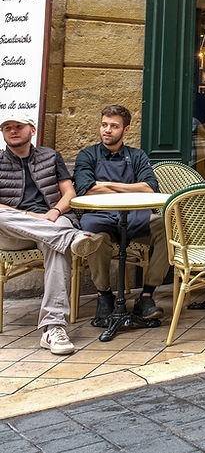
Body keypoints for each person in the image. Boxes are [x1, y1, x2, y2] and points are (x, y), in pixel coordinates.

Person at [0, 115, 109, 355]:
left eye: (18, 126)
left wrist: (55, 211)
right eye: (7, 128)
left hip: (52, 221)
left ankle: (53, 328)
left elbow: (69, 192)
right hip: (13, 231)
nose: (13, 131)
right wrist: (32, 217)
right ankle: (72, 239)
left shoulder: (50, 156)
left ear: (32, 129)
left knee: (56, 248)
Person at [73, 105, 170, 326]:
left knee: (166, 227)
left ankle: (146, 295)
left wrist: (106, 184)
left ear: (125, 130)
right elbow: (86, 189)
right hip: (100, 218)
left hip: (136, 217)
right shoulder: (87, 155)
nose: (107, 130)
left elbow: (149, 188)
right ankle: (104, 295)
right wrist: (129, 187)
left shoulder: (137, 156)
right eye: (104, 125)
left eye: (114, 126)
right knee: (92, 237)